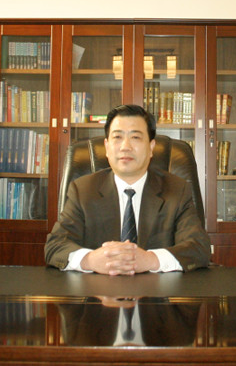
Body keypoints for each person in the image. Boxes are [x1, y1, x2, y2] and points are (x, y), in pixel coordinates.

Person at [45, 104, 212, 275]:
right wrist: (90, 260)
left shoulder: (176, 190)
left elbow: (199, 247)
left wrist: (150, 260)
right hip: (98, 289)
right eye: (117, 137)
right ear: (107, 146)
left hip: (157, 290)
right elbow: (55, 245)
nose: (125, 146)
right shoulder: (83, 190)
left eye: (135, 137)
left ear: (151, 147)